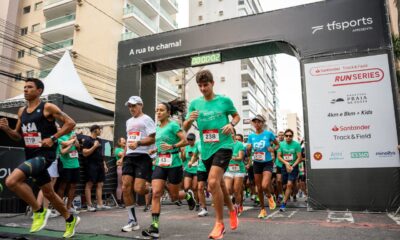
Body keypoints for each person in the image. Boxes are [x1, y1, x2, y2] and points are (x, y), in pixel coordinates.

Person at [1, 78, 80, 238]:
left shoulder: (47, 107)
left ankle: (38, 211)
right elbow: (17, 136)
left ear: (39, 91)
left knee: (11, 181)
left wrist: (53, 138)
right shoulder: (22, 112)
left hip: (45, 155)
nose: (25, 90)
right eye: (24, 87)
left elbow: (70, 123)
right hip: (31, 154)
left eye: (29, 87)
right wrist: (7, 129)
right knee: (49, 193)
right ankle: (70, 219)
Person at [183, 69, 239, 239]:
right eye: (200, 85)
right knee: (220, 184)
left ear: (212, 83)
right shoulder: (195, 104)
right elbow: (184, 129)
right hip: (206, 149)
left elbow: (236, 116)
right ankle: (231, 210)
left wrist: (231, 124)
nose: (202, 88)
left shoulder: (224, 101)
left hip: (224, 145)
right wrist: (189, 120)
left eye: (205, 85)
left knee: (212, 182)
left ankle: (219, 224)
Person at [142, 100, 196, 238]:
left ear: (168, 112)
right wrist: (154, 150)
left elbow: (184, 141)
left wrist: (172, 147)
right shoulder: (156, 127)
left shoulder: (173, 126)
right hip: (160, 163)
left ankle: (188, 196)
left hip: (174, 163)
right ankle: (154, 226)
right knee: (156, 193)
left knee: (174, 197)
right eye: (157, 110)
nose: (158, 113)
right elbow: (159, 143)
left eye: (161, 110)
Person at [120, 96, 155, 232]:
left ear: (141, 105)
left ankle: (152, 190)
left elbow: (153, 138)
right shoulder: (128, 121)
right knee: (125, 187)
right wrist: (123, 156)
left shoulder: (147, 119)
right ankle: (132, 220)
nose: (131, 109)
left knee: (139, 189)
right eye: (129, 106)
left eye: (134, 106)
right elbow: (129, 140)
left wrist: (139, 143)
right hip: (129, 157)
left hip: (142, 156)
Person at [246, 114, 280, 219]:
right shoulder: (251, 136)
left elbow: (278, 144)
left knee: (265, 185)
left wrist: (273, 149)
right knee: (259, 188)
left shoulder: (268, 134)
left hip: (267, 162)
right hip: (256, 163)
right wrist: (248, 148)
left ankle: (270, 197)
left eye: (259, 122)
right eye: (255, 122)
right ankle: (262, 209)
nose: (257, 124)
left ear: (262, 123)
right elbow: (248, 152)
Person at [82, 125, 109, 212]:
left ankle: (100, 204)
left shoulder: (99, 140)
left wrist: (104, 165)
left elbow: (101, 154)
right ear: (94, 130)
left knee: (100, 184)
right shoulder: (87, 140)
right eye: (99, 129)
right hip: (91, 165)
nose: (100, 131)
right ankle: (89, 205)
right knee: (89, 184)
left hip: (100, 164)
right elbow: (84, 153)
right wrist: (94, 146)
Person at [277, 129, 302, 212]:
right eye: (286, 135)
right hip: (284, 166)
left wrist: (292, 166)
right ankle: (287, 195)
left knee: (289, 184)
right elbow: (279, 156)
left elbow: (299, 158)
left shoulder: (296, 145)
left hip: (294, 166)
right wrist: (286, 164)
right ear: (284, 136)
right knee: (284, 185)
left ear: (292, 136)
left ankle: (283, 203)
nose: (288, 137)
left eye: (290, 136)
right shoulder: (281, 144)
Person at [57, 130, 81, 215]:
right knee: (63, 186)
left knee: (73, 186)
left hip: (75, 164)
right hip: (65, 165)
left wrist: (76, 140)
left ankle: (69, 206)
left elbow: (78, 147)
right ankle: (60, 207)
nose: (72, 129)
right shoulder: (61, 136)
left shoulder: (73, 134)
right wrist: (71, 141)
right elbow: (62, 151)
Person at [223, 130, 245, 216]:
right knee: (227, 189)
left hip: (239, 170)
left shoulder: (239, 144)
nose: (230, 135)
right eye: (229, 133)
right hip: (228, 170)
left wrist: (231, 157)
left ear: (235, 134)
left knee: (236, 190)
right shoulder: (225, 144)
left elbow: (240, 157)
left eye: (232, 133)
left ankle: (237, 206)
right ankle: (232, 206)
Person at [182, 133, 200, 211]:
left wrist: (194, 155)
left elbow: (198, 157)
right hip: (188, 169)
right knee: (186, 187)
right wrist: (182, 153)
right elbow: (183, 159)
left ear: (194, 140)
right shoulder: (185, 147)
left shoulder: (197, 146)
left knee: (195, 188)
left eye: (191, 139)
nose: (189, 141)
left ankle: (197, 203)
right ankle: (191, 200)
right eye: (188, 139)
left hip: (196, 169)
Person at [115, 137, 126, 207]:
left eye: (125, 140)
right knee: (120, 184)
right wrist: (127, 149)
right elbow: (123, 155)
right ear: (119, 143)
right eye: (123, 141)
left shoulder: (125, 149)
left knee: (125, 184)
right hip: (121, 168)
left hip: (126, 167)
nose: (125, 141)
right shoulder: (117, 149)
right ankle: (119, 201)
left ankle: (125, 200)